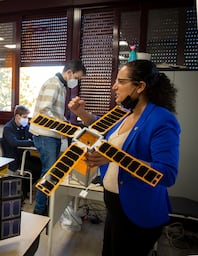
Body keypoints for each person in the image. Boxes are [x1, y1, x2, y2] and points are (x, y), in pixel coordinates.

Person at [68, 60, 180, 255]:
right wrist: (80, 113)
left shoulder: (162, 120)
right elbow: (101, 125)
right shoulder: (125, 113)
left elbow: (167, 174)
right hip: (116, 210)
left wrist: (113, 157)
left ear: (140, 86)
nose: (114, 87)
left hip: (139, 214)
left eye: (121, 81)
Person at [29, 59, 86, 215]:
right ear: (69, 73)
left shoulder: (60, 86)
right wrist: (62, 126)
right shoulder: (54, 84)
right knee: (49, 172)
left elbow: (54, 113)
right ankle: (40, 210)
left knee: (51, 171)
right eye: (77, 78)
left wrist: (65, 123)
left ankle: (45, 205)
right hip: (44, 134)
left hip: (50, 134)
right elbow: (44, 111)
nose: (77, 82)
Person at [1, 105, 41, 176]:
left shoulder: (25, 126)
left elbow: (32, 136)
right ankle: (27, 185)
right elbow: (14, 142)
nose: (26, 119)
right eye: (24, 117)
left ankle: (29, 185)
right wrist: (32, 143)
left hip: (24, 156)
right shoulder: (8, 128)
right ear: (17, 116)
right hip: (14, 158)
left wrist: (38, 140)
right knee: (35, 167)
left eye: (27, 117)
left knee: (38, 162)